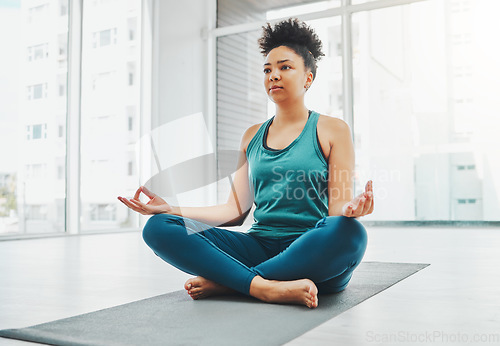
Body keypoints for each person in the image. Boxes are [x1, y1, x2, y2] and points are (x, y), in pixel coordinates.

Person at [118, 18, 374, 309]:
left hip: (312, 251)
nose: (273, 75)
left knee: (350, 232)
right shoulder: (251, 136)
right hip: (259, 247)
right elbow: (235, 211)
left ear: (308, 77)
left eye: (284, 67)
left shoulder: (332, 129)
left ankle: (233, 282)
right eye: (267, 69)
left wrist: (352, 211)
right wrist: (169, 209)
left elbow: (336, 211)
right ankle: (262, 286)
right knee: (158, 227)